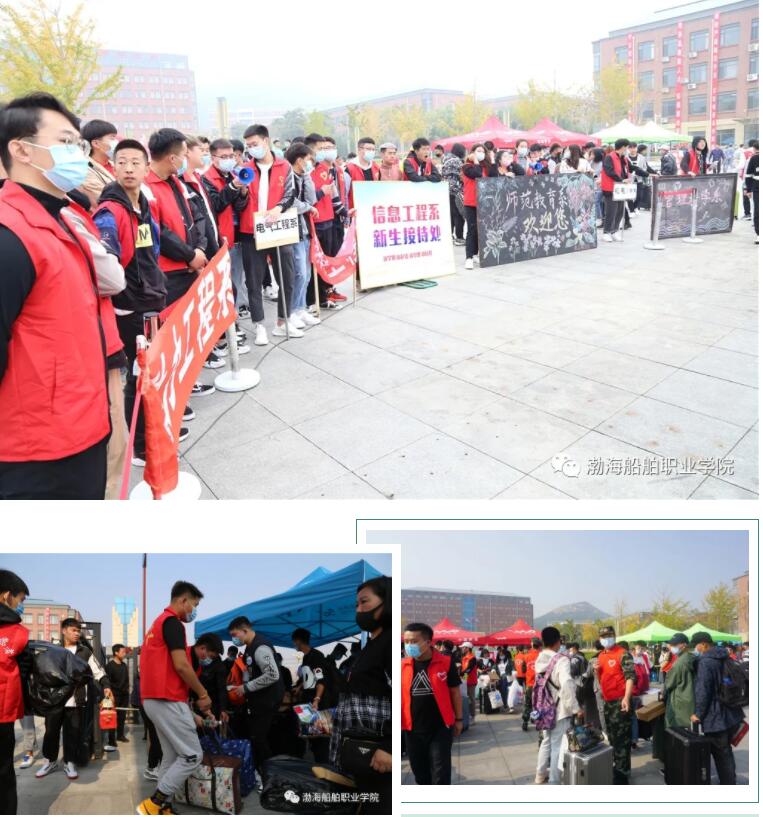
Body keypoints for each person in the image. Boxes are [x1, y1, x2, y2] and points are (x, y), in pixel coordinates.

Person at [0, 92, 110, 499]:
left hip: (82, 425)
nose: (77, 154)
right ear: (21, 150)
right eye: (65, 142)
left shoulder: (57, 215)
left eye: (78, 144)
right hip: (37, 453)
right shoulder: (9, 234)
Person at [93, 139, 168, 469]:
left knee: (149, 372)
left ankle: (151, 434)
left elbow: (150, 250)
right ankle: (140, 446)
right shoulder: (110, 211)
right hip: (130, 308)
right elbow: (106, 263)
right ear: (112, 166)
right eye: (121, 161)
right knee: (137, 377)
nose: (128, 168)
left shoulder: (141, 204)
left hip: (150, 299)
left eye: (135, 162)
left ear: (146, 168)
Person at [137, 581, 212, 816]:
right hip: (166, 697)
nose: (194, 610)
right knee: (192, 755)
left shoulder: (157, 624)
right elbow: (181, 665)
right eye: (194, 605)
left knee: (170, 757)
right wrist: (203, 694)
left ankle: (164, 807)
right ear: (183, 600)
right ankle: (153, 804)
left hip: (153, 698)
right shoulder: (172, 623)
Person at [329, 577, 392, 814]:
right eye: (356, 604)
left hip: (376, 751)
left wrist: (389, 746)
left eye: (364, 602)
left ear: (386, 602)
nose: (359, 609)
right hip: (358, 749)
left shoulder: (389, 643)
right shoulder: (372, 644)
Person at [238, 124, 299, 344]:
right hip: (251, 231)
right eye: (248, 145)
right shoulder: (245, 169)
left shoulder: (284, 166)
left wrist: (278, 208)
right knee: (254, 281)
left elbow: (291, 194)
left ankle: (283, 321)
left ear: (266, 141)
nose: (251, 148)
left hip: (279, 228)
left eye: (254, 144)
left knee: (287, 276)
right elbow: (238, 204)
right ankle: (259, 325)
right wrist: (241, 191)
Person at [36, 619, 114, 781]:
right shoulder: (53, 650)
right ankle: (50, 761)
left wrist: (106, 685)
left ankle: (69, 762)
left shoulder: (85, 652)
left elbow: (98, 671)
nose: (77, 633)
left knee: (72, 733)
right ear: (64, 631)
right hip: (55, 701)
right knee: (50, 733)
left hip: (76, 701)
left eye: (79, 631)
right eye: (73, 630)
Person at [402, 622, 462, 785]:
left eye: (413, 641)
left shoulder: (445, 663)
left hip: (440, 728)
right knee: (420, 775)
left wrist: (458, 719)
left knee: (440, 775)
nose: (409, 645)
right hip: (412, 730)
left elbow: (455, 692)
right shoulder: (402, 666)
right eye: (406, 641)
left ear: (428, 642)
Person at [227, 615, 284, 776]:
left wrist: (246, 688)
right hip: (258, 700)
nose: (234, 639)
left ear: (245, 630)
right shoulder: (249, 648)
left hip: (267, 701)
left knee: (259, 738)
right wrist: (241, 686)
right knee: (256, 738)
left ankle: (270, 775)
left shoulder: (260, 647)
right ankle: (262, 772)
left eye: (235, 635)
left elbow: (272, 674)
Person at [690, 631, 745, 785]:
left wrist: (698, 714)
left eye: (696, 645)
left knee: (721, 753)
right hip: (731, 711)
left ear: (704, 644)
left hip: (716, 717)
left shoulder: (706, 662)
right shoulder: (725, 656)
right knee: (726, 751)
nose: (696, 649)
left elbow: (703, 691)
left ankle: (728, 784)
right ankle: (730, 780)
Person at [533, 627, 583, 785]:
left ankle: (540, 775)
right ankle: (554, 781)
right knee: (558, 746)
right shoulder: (561, 660)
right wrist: (576, 708)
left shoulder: (539, 658)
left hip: (544, 708)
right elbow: (567, 685)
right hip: (559, 710)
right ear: (558, 641)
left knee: (546, 742)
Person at [0, 569, 30, 815]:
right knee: (3, 775)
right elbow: (25, 671)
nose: (21, 606)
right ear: (6, 596)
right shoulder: (17, 634)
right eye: (20, 600)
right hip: (3, 713)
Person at [285, 142, 320, 329]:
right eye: (308, 160)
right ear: (299, 160)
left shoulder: (302, 176)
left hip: (304, 230)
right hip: (293, 231)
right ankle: (291, 311)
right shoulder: (287, 176)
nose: (311, 163)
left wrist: (307, 176)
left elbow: (311, 199)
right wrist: (308, 208)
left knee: (305, 274)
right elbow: (290, 202)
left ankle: (300, 308)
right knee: (299, 273)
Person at [595, 625, 636, 784]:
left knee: (622, 739)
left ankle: (622, 774)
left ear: (614, 636)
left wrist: (626, 698)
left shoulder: (623, 653)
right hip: (608, 702)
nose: (607, 639)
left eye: (609, 636)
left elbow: (630, 677)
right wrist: (596, 671)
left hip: (620, 701)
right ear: (600, 639)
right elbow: (601, 679)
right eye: (604, 637)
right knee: (612, 737)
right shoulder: (601, 656)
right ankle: (619, 768)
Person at [291, 627, 336, 762]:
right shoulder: (306, 657)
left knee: (321, 738)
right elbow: (307, 677)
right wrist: (299, 687)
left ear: (298, 641)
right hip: (308, 701)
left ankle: (324, 766)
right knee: (312, 735)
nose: (294, 644)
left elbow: (321, 680)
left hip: (318, 703)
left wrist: (317, 699)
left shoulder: (316, 656)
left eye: (294, 641)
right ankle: (317, 763)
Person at [462, 143, 490, 269]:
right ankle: (468, 257)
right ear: (472, 152)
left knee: (480, 230)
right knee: (472, 229)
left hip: (483, 202)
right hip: (471, 202)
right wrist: (475, 161)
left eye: (483, 151)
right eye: (478, 151)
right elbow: (477, 174)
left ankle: (475, 254)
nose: (481, 153)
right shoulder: (467, 166)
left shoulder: (484, 167)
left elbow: (493, 174)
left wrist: (492, 160)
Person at [80, 119, 118, 208]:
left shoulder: (116, 165)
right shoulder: (86, 171)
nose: (116, 142)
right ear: (96, 143)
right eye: (112, 138)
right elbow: (107, 199)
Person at [192, 633, 229, 723]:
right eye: (211, 656)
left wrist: (223, 709)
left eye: (213, 657)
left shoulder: (219, 666)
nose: (210, 659)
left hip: (210, 704)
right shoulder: (190, 660)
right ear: (202, 648)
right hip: (193, 701)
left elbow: (221, 688)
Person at [600, 138, 630, 242]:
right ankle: (606, 232)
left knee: (620, 211)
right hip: (610, 188)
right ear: (623, 147)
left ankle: (614, 231)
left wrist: (648, 174)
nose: (627, 149)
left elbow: (630, 169)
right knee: (611, 211)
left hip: (621, 188)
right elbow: (609, 171)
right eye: (627, 147)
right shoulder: (609, 157)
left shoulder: (623, 158)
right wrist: (621, 180)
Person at [663, 633, 695, 731]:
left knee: (679, 733)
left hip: (680, 703)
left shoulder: (680, 663)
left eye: (674, 645)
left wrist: (663, 694)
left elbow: (669, 684)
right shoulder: (691, 657)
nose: (671, 647)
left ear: (684, 645)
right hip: (689, 700)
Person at [104, 644, 131, 751]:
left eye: (125, 652)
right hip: (113, 696)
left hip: (124, 695)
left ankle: (120, 735)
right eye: (122, 652)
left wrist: (127, 691)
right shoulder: (109, 666)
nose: (124, 654)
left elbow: (126, 680)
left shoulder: (124, 665)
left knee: (122, 717)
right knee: (111, 717)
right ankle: (111, 740)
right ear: (116, 652)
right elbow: (107, 682)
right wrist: (110, 696)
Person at [442, 143, 466, 244]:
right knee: (459, 214)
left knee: (450, 214)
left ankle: (449, 236)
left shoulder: (446, 159)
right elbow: (462, 175)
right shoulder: (457, 161)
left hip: (446, 189)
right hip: (456, 190)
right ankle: (459, 237)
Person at [346, 137, 380, 206]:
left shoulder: (376, 167)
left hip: (373, 206)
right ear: (359, 150)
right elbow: (345, 193)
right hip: (355, 207)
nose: (371, 152)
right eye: (368, 149)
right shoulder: (349, 168)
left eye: (373, 150)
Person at [521, 638, 542, 731]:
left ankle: (525, 722)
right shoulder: (542, 656)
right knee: (537, 704)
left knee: (528, 704)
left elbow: (523, 670)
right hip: (539, 685)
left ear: (532, 645)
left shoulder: (526, 656)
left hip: (529, 684)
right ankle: (536, 721)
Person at [744, 138, 758, 243]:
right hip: (757, 187)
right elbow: (748, 175)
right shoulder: (754, 159)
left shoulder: (752, 157)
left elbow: (748, 175)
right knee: (758, 210)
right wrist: (748, 189)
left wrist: (748, 189)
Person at [460, 642, 478, 719]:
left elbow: (468, 669)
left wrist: (460, 674)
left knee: (471, 698)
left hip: (471, 681)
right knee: (465, 698)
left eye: (463, 647)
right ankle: (467, 715)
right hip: (464, 681)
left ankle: (472, 716)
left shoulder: (472, 658)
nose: (462, 649)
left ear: (467, 648)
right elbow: (464, 669)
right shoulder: (464, 658)